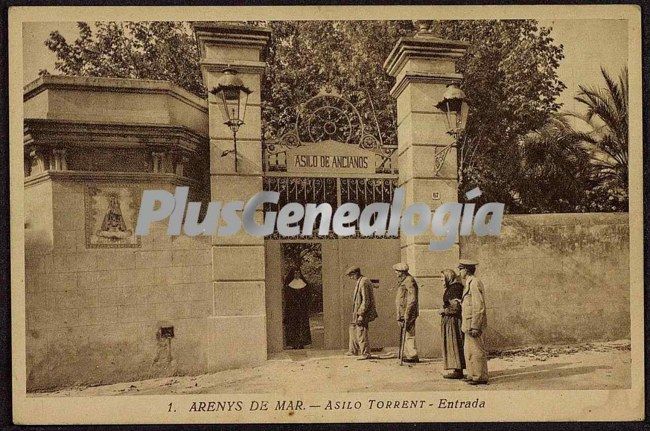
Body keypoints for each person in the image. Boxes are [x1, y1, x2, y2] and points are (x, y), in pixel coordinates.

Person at [458, 259, 488, 385]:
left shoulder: (474, 282)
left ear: (466, 269)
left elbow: (479, 305)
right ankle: (472, 374)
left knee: (476, 351)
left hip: (473, 323)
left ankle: (480, 376)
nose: (459, 272)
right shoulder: (469, 282)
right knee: (469, 351)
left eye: (460, 269)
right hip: (468, 323)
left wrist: (476, 326)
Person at [345, 266, 378, 360]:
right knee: (353, 328)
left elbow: (366, 300)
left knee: (361, 331)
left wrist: (361, 314)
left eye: (351, 276)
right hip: (357, 311)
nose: (350, 278)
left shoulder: (364, 282)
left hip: (362, 312)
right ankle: (353, 350)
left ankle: (365, 353)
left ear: (355, 274)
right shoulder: (360, 281)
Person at [439, 269, 466, 379]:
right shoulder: (453, 287)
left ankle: (458, 370)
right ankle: (456, 369)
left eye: (442, 278)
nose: (441, 280)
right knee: (453, 344)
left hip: (453, 321)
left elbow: (455, 308)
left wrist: (444, 311)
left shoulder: (455, 288)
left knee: (454, 344)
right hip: (451, 320)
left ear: (448, 277)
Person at [393, 262, 419, 363]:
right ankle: (409, 354)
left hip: (407, 312)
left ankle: (412, 355)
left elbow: (412, 299)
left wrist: (407, 313)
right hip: (403, 312)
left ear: (402, 272)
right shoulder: (404, 280)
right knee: (407, 332)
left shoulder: (409, 281)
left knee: (409, 333)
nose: (396, 273)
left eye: (397, 271)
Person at [283, 267, 312, 349]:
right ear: (292, 274)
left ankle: (302, 343)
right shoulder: (288, 286)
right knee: (293, 326)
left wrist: (305, 304)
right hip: (292, 310)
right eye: (295, 273)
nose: (297, 274)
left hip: (302, 309)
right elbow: (288, 298)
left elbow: (308, 296)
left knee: (302, 326)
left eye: (298, 273)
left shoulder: (305, 284)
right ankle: (293, 343)